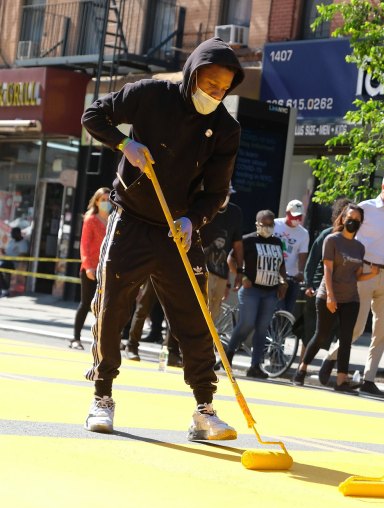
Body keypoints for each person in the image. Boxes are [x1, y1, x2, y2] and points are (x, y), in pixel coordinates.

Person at [80, 37, 245, 440]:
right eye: (210, 84)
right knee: (112, 308)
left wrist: (194, 221)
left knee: (195, 318)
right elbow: (93, 115)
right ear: (192, 73)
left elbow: (216, 191)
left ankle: (204, 409)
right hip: (132, 221)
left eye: (223, 89)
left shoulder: (225, 128)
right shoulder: (150, 93)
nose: (215, 94)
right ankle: (102, 397)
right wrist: (125, 143)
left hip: (178, 233)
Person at [323, 171, 384, 398]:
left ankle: (369, 379)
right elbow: (345, 232)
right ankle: (332, 357)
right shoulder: (366, 208)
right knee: (357, 328)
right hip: (365, 271)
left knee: (382, 330)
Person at [292, 204, 378, 392]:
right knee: (321, 334)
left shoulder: (359, 247)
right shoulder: (331, 240)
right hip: (328, 295)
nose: (352, 221)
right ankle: (302, 369)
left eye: (357, 219)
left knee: (346, 339)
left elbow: (356, 275)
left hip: (351, 299)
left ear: (360, 223)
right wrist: (330, 296)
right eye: (350, 217)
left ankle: (341, 381)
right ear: (343, 218)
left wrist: (372, 274)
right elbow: (328, 270)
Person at [223, 210, 288, 379]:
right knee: (247, 323)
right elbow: (231, 259)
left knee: (262, 329)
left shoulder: (277, 242)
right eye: (264, 224)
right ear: (257, 224)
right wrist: (241, 276)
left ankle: (255, 366)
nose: (268, 227)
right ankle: (228, 355)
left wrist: (283, 281)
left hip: (270, 291)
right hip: (251, 289)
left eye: (271, 224)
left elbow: (281, 265)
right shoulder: (248, 240)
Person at [301, 197, 352, 386]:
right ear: (338, 216)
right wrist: (309, 285)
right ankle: (302, 368)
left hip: (344, 294)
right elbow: (312, 262)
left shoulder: (353, 241)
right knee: (314, 333)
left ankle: (334, 370)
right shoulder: (326, 236)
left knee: (342, 333)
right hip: (320, 291)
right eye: (345, 215)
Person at [69, 187, 112, 350]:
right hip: (90, 269)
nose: (106, 203)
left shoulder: (113, 220)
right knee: (86, 303)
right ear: (96, 201)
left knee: (105, 306)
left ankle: (103, 341)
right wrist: (88, 267)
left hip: (107, 268)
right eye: (103, 200)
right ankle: (76, 338)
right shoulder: (90, 219)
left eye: (109, 200)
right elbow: (84, 245)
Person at [200, 185, 243, 322]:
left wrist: (239, 271)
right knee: (199, 308)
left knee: (214, 313)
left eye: (228, 193)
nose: (226, 196)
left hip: (222, 272)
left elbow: (237, 244)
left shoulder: (235, 212)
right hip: (202, 268)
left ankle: (207, 343)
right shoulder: (204, 207)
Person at [274, 199, 309, 314]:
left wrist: (301, 271)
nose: (297, 219)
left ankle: (281, 332)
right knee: (278, 308)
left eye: (299, 216)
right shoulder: (275, 224)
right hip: (274, 274)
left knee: (288, 312)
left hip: (292, 277)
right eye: (294, 216)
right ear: (287, 213)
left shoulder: (303, 233)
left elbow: (302, 254)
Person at [1, 227, 30, 296]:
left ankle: (5, 289)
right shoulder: (12, 241)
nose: (12, 235)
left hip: (14, 263)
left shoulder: (23, 243)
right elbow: (8, 252)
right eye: (12, 233)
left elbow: (22, 256)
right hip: (6, 260)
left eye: (14, 233)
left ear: (18, 233)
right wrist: (3, 251)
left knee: (2, 268)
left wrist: (9, 257)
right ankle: (3, 288)